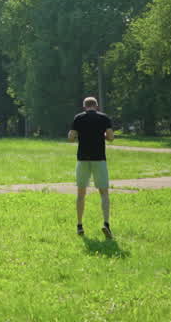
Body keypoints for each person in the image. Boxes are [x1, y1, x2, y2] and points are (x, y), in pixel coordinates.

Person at [68, 96, 114, 238]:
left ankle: (80, 225)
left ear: (84, 107)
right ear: (96, 106)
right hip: (99, 159)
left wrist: (77, 135)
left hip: (83, 159)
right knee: (104, 193)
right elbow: (111, 137)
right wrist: (103, 136)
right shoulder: (104, 118)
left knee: (81, 194)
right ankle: (106, 224)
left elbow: (71, 137)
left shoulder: (78, 118)